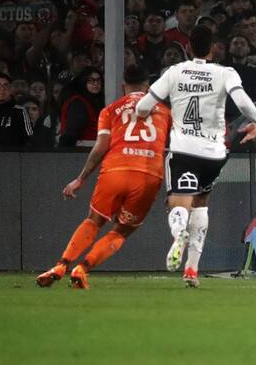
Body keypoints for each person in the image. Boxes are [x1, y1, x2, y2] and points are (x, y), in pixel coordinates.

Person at [135, 25, 256, 287]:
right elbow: (241, 101)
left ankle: (179, 232)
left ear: (189, 47)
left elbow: (142, 106)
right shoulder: (224, 72)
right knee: (201, 203)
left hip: (183, 150)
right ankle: (192, 270)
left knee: (178, 204)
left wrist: (144, 116)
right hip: (214, 153)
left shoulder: (174, 72)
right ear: (214, 48)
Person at [35, 65, 172, 289]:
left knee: (94, 220)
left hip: (115, 171)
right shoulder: (165, 112)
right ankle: (83, 268)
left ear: (123, 87)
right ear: (148, 87)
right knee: (122, 230)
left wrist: (79, 179)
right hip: (148, 175)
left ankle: (61, 265)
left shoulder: (111, 109)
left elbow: (100, 147)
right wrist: (173, 190)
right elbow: (173, 151)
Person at [58, 67, 104, 147]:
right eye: (91, 80)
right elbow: (71, 134)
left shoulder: (93, 102)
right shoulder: (78, 104)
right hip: (80, 153)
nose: (96, 83)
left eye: (98, 80)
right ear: (83, 82)